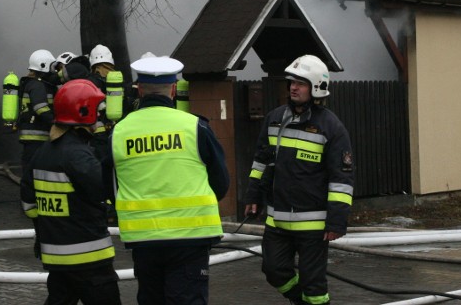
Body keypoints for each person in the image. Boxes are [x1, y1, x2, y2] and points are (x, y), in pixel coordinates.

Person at [110, 55, 229, 305]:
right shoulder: (196, 127)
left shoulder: (119, 132)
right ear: (173, 90)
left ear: (140, 90)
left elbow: (109, 186)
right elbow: (221, 182)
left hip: (143, 241)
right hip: (190, 239)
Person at [243, 54, 354, 305]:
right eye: (292, 82)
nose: (293, 87)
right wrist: (252, 195)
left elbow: (342, 178)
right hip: (277, 219)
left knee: (314, 286)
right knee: (273, 270)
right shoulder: (274, 119)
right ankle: (299, 301)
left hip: (314, 224)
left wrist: (336, 221)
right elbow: (261, 161)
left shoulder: (331, 127)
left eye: (300, 83)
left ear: (315, 87)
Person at [20, 79, 122, 305]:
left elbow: (28, 202)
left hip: (56, 257)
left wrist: (45, 228)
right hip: (90, 259)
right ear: (83, 112)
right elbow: (106, 193)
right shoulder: (79, 156)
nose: (99, 115)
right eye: (96, 109)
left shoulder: (43, 153)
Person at [17, 49, 60, 176]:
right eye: (52, 66)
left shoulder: (37, 84)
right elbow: (40, 108)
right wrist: (57, 122)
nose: (54, 70)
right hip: (36, 137)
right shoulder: (37, 85)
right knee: (32, 173)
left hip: (35, 137)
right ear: (43, 66)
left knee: (34, 171)